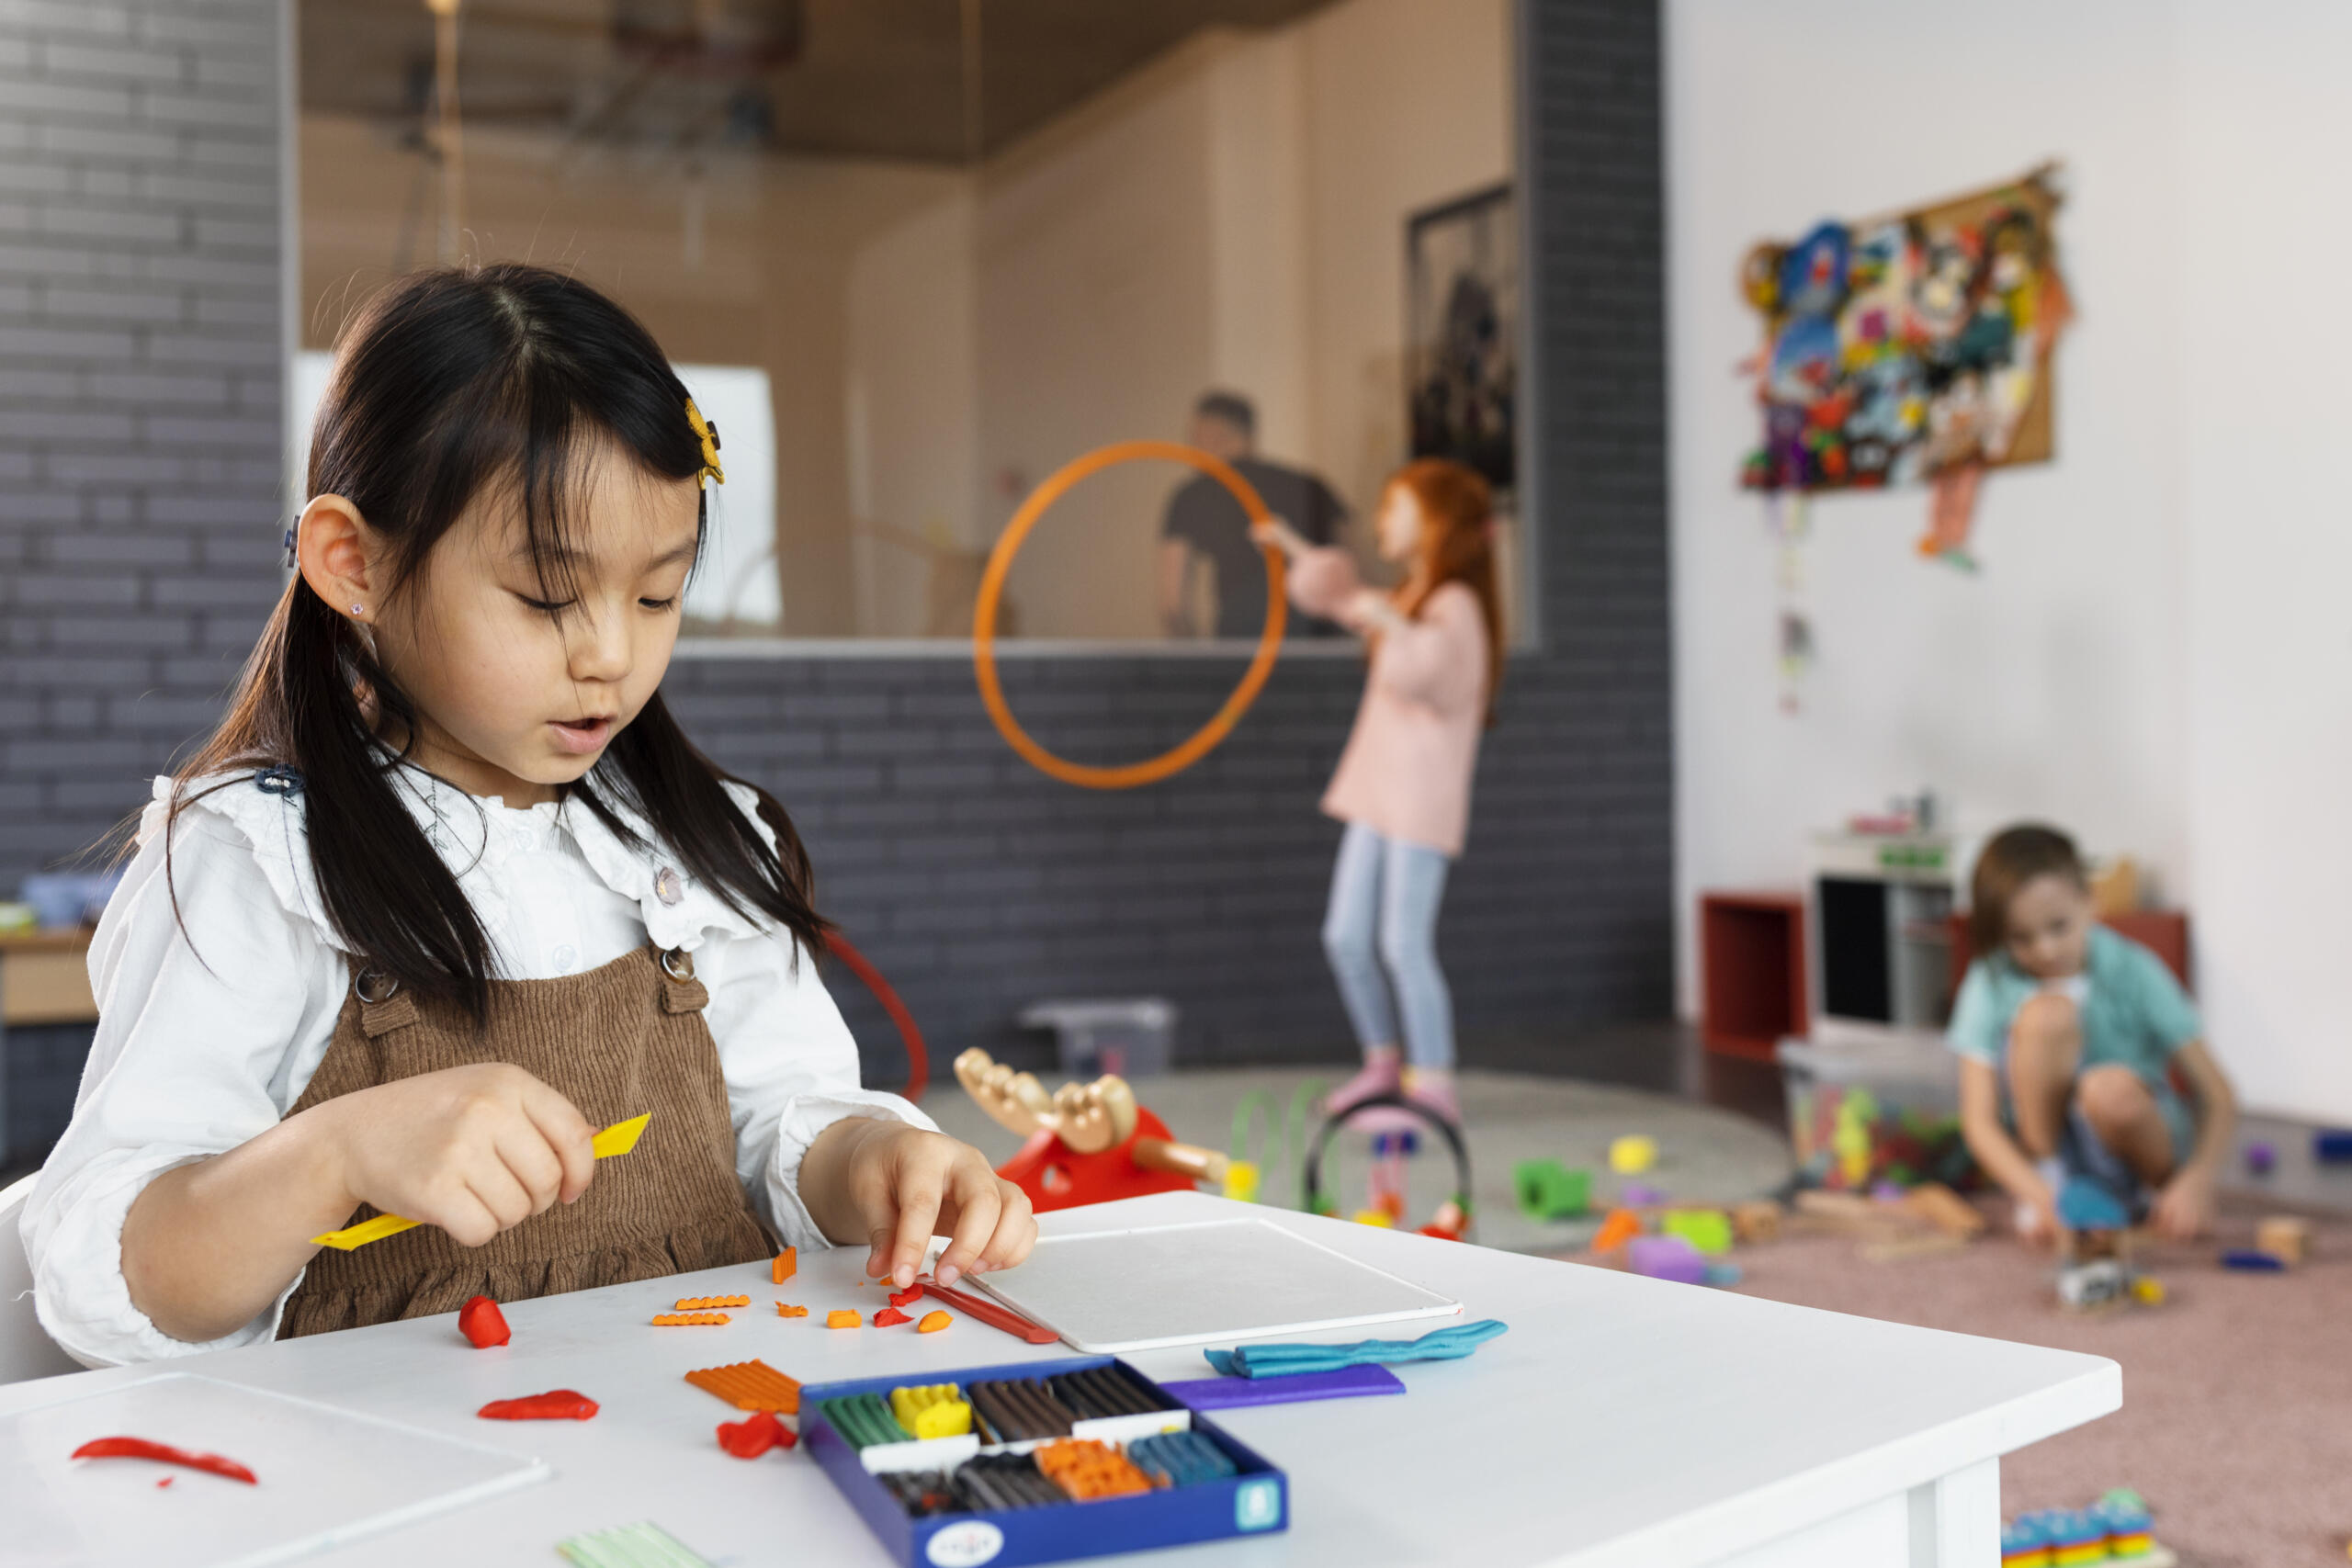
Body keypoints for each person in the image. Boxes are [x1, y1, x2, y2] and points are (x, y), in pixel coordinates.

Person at [21, 265, 1035, 1366]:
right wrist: (333, 1155)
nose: (610, 653)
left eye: (658, 594)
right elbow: (116, 1280)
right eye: (548, 598)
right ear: (353, 565)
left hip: (698, 1418)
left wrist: (875, 1161)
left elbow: (781, 1120)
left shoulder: (690, 844)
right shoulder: (260, 863)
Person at [1256, 458, 1504, 1123]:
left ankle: (1436, 1086)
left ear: (1435, 521)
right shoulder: (1411, 597)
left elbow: (1441, 678)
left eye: (1394, 508)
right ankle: (1383, 1063)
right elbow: (1341, 598)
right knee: (1345, 936)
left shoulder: (1454, 605)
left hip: (1419, 802)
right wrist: (1292, 547)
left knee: (1403, 944)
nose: (1380, 520)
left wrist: (1388, 621)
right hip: (1376, 793)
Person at [1948, 825, 2236, 1246]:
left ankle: (2149, 1196)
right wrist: (2042, 1197)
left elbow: (2218, 1094)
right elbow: (1979, 1120)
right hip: (2049, 1155)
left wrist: (2198, 1180)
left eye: (2059, 927)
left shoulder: (2134, 968)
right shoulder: (1990, 979)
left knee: (2108, 1089)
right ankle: (2055, 1180)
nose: (2046, 950)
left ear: (2090, 902)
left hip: (2129, 1142)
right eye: (2021, 938)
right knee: (2047, 1016)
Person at [1159, 390, 1347, 638]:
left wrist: (1195, 661)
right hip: (1320, 636)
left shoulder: (1192, 494)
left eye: (1194, 438)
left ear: (1211, 434)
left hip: (1244, 640)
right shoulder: (1311, 485)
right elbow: (1359, 566)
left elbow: (1172, 604)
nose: (1191, 448)